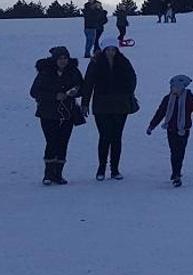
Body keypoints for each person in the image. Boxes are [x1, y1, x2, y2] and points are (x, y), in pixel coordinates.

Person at [80, 39, 138, 180]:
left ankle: (115, 169)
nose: (111, 52)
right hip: (102, 106)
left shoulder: (124, 62)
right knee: (105, 137)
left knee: (116, 137)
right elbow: (88, 83)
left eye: (113, 49)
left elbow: (132, 79)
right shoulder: (95, 63)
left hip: (120, 105)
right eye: (108, 49)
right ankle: (101, 168)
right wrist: (85, 103)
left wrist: (127, 93)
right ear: (104, 50)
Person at [30, 46, 84, 185]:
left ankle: (58, 173)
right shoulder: (45, 72)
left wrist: (75, 91)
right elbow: (34, 92)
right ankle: (48, 174)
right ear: (55, 59)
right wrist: (54, 96)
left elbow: (82, 87)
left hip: (68, 113)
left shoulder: (73, 71)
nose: (63, 61)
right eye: (60, 58)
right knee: (51, 141)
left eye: (65, 58)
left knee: (63, 142)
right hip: (48, 113)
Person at [146, 74, 193, 187]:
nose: (173, 90)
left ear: (181, 87)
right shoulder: (168, 99)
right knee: (173, 151)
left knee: (180, 152)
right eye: (172, 87)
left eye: (175, 87)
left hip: (184, 130)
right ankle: (175, 172)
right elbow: (160, 113)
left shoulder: (189, 98)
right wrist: (151, 126)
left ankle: (176, 174)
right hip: (171, 129)